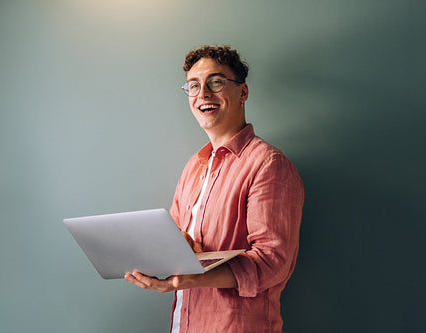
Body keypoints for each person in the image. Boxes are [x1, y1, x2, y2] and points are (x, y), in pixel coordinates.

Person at [125, 45, 304, 333]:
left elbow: (273, 261)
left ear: (243, 93)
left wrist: (191, 278)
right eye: (193, 86)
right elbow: (174, 241)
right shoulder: (193, 167)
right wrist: (158, 256)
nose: (203, 94)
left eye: (216, 82)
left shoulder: (269, 164)